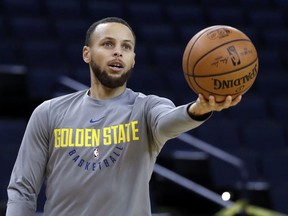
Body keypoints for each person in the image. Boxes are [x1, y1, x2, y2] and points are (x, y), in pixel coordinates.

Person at [6, 17, 241, 216]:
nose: (118, 51)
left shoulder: (148, 108)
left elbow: (168, 122)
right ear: (87, 54)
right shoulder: (49, 112)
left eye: (126, 47)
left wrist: (199, 108)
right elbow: (23, 189)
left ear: (133, 59)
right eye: (108, 44)